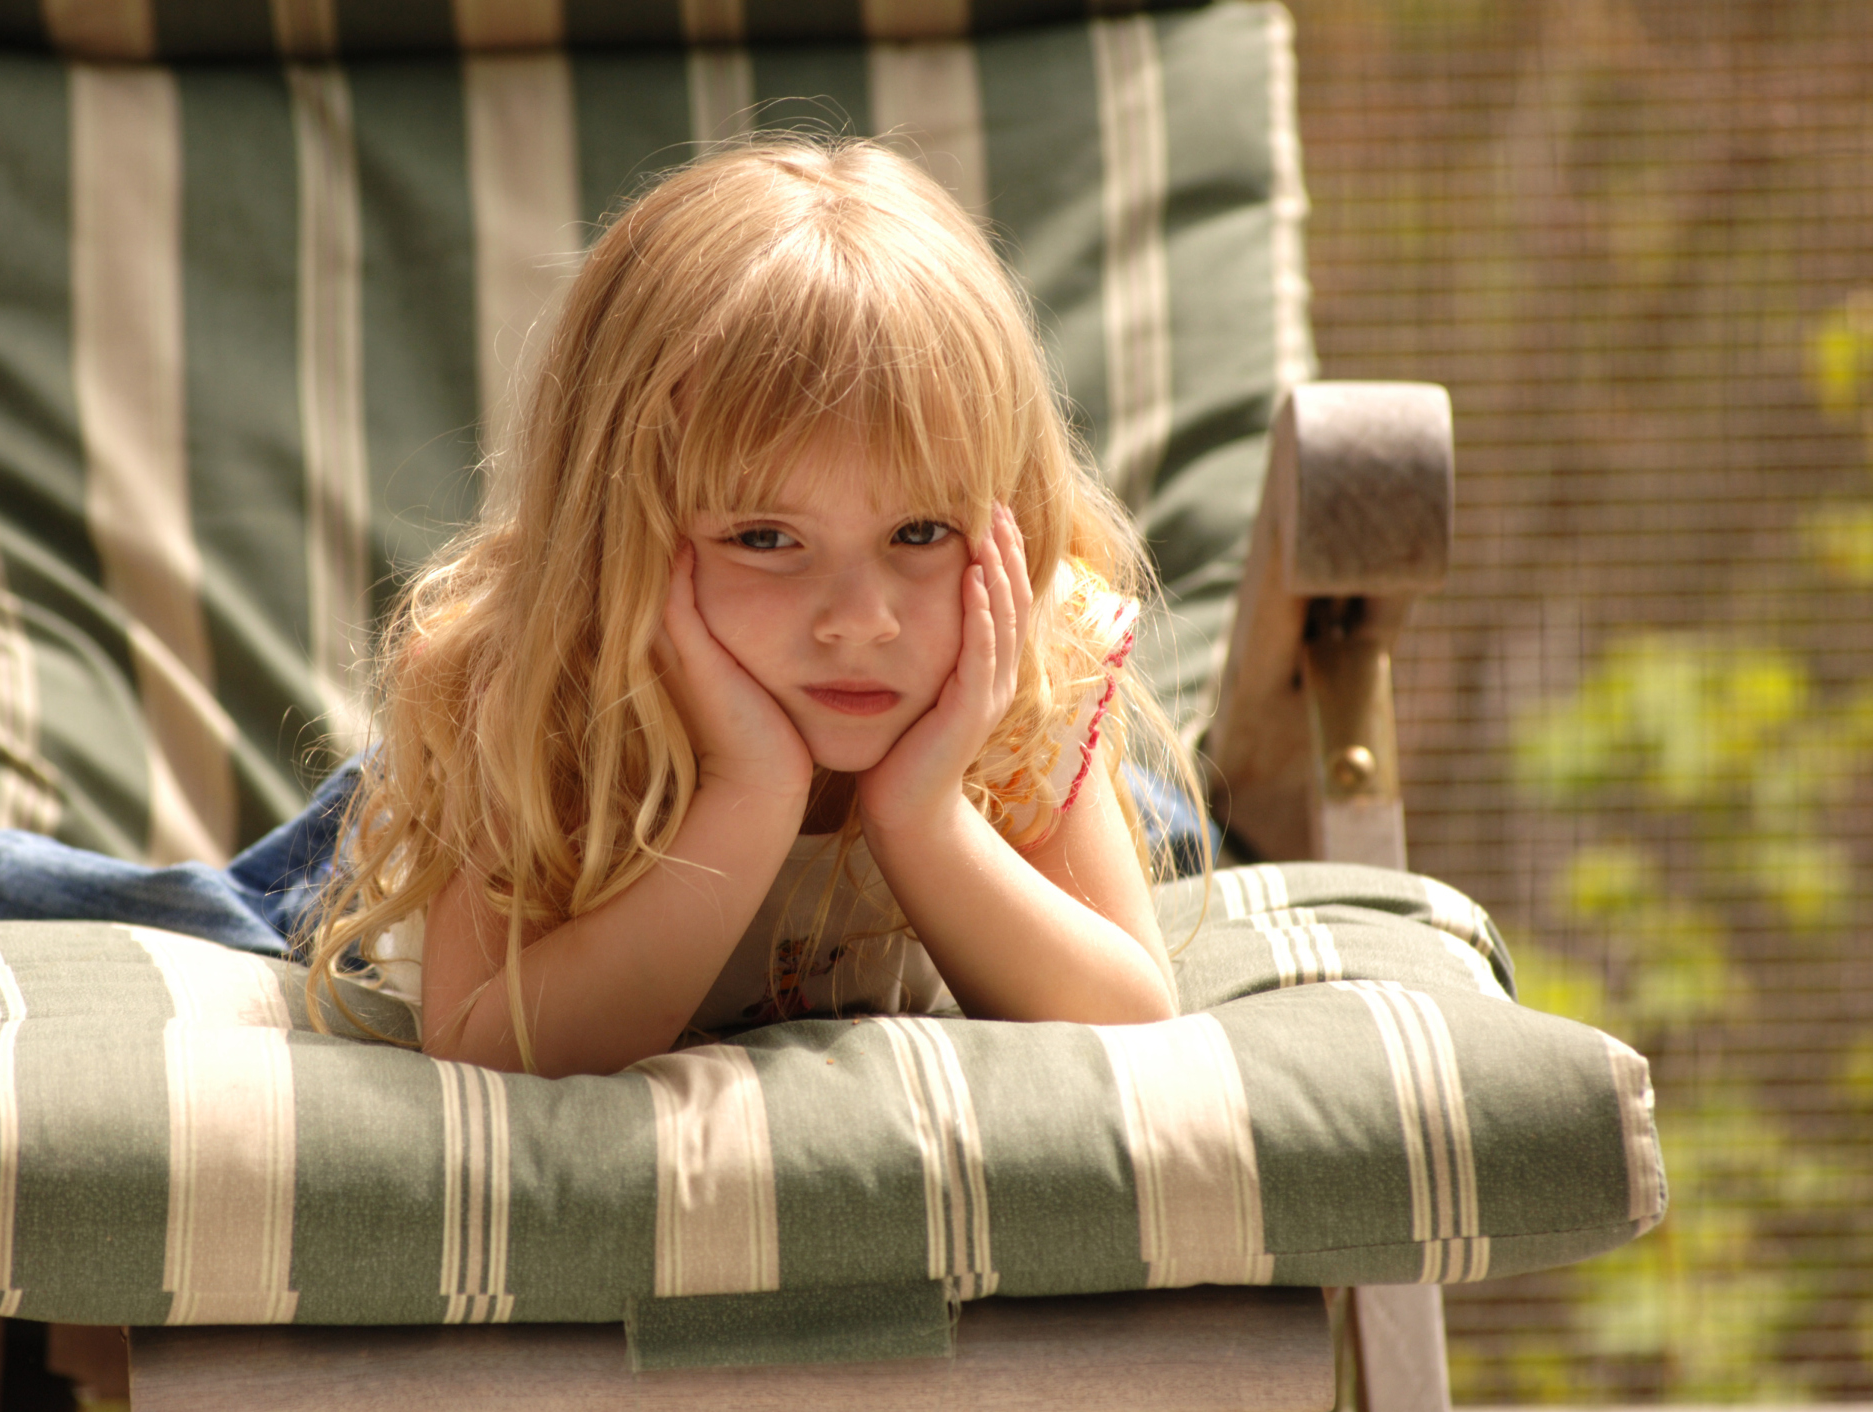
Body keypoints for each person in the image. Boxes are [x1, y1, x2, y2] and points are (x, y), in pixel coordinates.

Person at [304, 137, 1208, 1078]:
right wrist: (751, 793)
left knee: (1174, 824)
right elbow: (488, 1047)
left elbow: (1135, 1023)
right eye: (767, 539)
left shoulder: (1025, 672)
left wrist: (924, 818)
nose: (863, 620)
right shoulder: (532, 689)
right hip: (425, 817)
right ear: (618, 536)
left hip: (968, 762)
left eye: (921, 533)